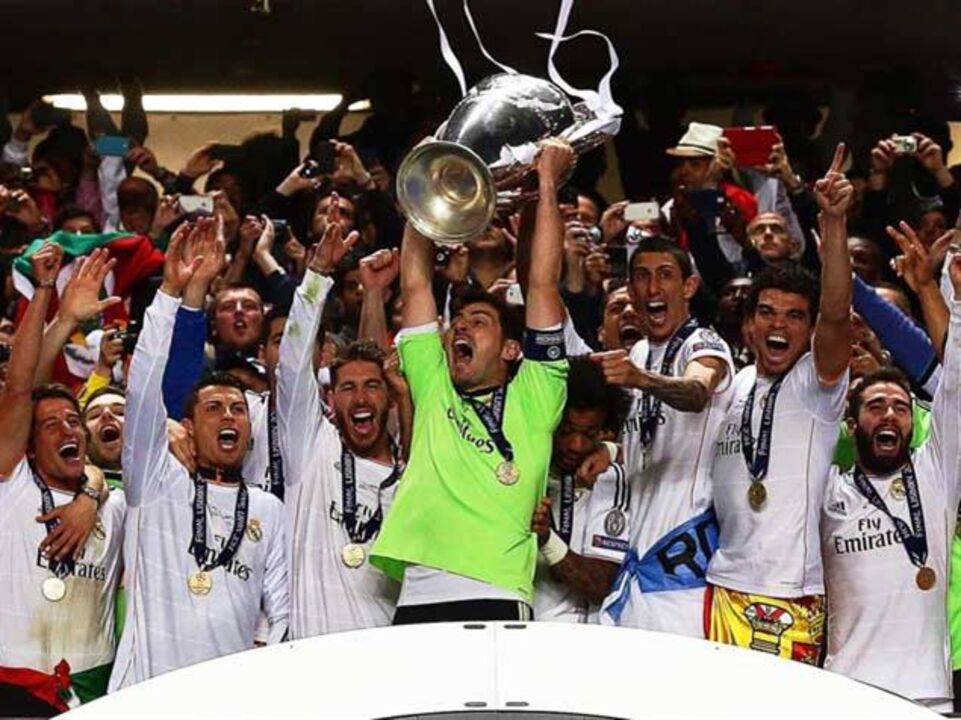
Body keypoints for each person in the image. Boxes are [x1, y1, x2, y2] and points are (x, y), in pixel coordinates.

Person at [370, 139, 573, 623]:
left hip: (497, 589)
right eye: (458, 321)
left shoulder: (537, 393)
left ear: (510, 348)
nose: (460, 326)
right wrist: (427, 180)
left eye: (479, 321)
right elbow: (416, 282)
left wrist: (546, 184)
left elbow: (543, 283)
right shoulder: (433, 383)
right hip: (417, 591)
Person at [109, 219, 288, 690]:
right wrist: (170, 292)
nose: (229, 416)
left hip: (231, 701)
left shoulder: (269, 509)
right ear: (186, 425)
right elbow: (144, 388)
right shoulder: (154, 481)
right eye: (214, 408)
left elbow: (282, 610)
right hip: (144, 698)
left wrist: (261, 672)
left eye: (238, 409)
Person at [705, 145, 854, 664]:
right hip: (722, 582)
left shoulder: (817, 385)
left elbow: (837, 314)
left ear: (807, 329)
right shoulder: (736, 383)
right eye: (767, 312)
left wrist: (832, 223)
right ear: (750, 324)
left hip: (791, 593)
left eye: (794, 316)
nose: (778, 324)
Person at [821, 224, 961, 709]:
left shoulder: (936, 474)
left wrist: (943, 298)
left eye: (901, 407)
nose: (889, 415)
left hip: (931, 696)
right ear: (851, 423)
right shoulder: (825, 490)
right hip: (846, 695)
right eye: (875, 406)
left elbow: (955, 387)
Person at [0, 245, 122, 713]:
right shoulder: (12, 481)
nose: (67, 428)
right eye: (50, 425)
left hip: (94, 692)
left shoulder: (116, 503)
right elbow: (19, 388)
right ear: (28, 443)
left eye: (74, 421)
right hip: (14, 689)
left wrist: (92, 491)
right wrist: (52, 300)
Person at [593, 236, 734, 638]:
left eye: (665, 276)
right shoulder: (637, 352)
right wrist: (611, 450)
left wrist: (642, 380)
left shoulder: (704, 344)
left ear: (688, 287)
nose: (653, 288)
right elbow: (649, 437)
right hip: (635, 564)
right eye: (641, 277)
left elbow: (696, 392)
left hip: (683, 572)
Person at [276, 211, 407, 637]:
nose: (361, 397)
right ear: (329, 399)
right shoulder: (312, 450)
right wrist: (317, 275)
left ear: (388, 398)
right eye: (347, 388)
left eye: (372, 386)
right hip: (313, 667)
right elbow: (293, 366)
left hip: (388, 669)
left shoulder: (414, 474)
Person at [531, 356, 632, 623]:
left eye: (589, 434)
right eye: (566, 431)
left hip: (570, 642)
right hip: (506, 627)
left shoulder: (607, 479)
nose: (576, 445)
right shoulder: (519, 466)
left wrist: (547, 539)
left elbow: (600, 584)